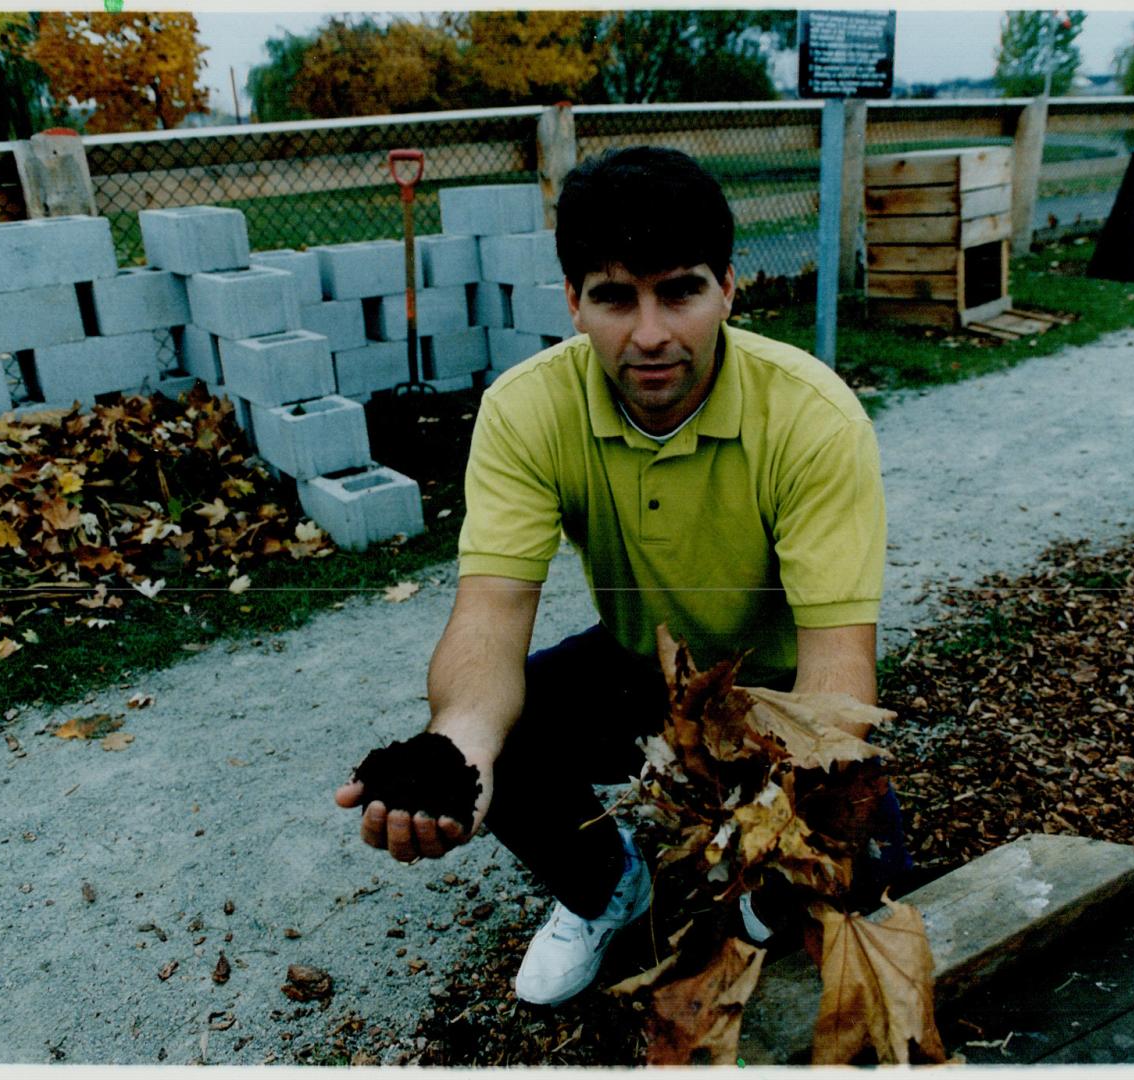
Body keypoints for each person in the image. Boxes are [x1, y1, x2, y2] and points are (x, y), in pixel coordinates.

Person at [336, 146, 906, 1006]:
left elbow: (837, 660)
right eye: (613, 297)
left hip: (782, 687)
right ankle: (609, 886)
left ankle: (756, 877)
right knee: (509, 727)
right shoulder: (527, 410)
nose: (649, 334)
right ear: (573, 301)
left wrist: (798, 809)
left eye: (679, 290)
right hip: (647, 664)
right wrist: (458, 749)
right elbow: (490, 615)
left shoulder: (811, 416)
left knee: (856, 879)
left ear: (727, 287)